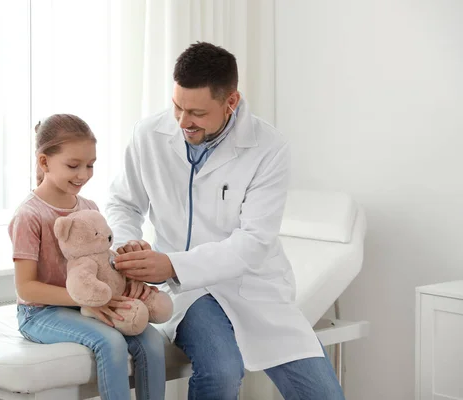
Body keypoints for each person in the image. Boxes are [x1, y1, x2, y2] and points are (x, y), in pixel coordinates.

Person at [106, 42, 345, 399]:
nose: (183, 122)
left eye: (197, 113)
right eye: (177, 107)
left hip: (252, 287)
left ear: (230, 102)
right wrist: (129, 244)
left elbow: (254, 242)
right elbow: (123, 203)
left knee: (324, 395)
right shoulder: (148, 136)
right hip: (187, 291)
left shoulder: (268, 148)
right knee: (221, 371)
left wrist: (170, 264)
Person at [8, 114, 166, 400]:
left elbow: (100, 262)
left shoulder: (89, 207)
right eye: (73, 165)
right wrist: (92, 299)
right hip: (39, 312)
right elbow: (26, 288)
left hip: (86, 305)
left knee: (152, 341)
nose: (83, 174)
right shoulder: (29, 215)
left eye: (90, 165)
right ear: (44, 162)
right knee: (111, 343)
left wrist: (127, 272)